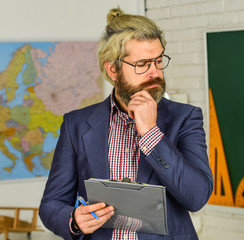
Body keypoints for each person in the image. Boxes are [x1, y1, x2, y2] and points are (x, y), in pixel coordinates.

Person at [39, 7, 213, 240]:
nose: (155, 73)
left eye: (159, 61)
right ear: (113, 70)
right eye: (142, 64)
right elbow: (52, 204)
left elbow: (197, 197)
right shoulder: (77, 124)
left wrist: (151, 133)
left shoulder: (185, 118)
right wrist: (74, 220)